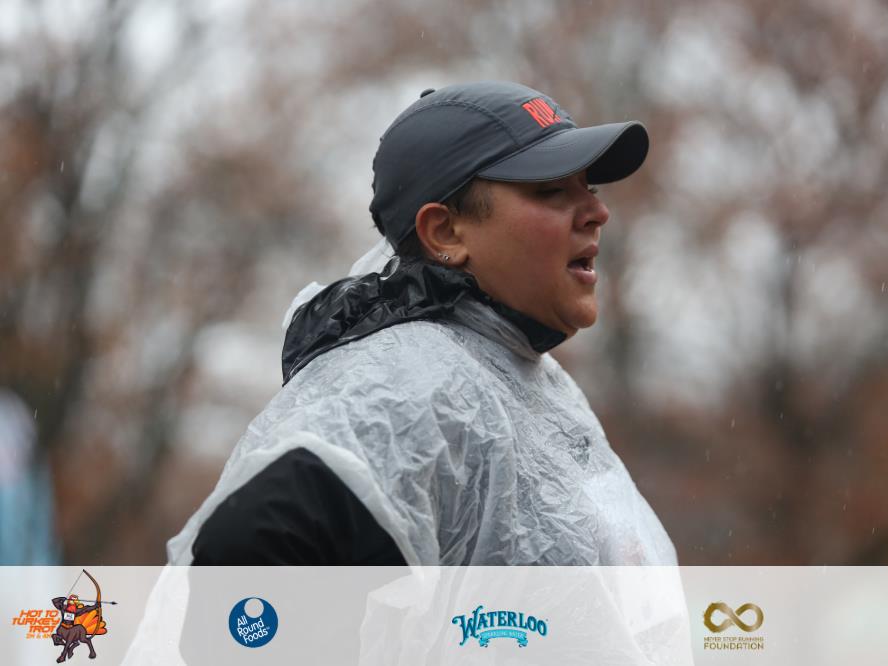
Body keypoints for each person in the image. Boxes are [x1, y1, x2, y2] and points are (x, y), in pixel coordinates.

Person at [170, 80, 677, 566]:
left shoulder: (518, 374)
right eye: (551, 190)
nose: (597, 211)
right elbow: (245, 556)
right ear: (445, 232)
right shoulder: (407, 385)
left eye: (589, 187)